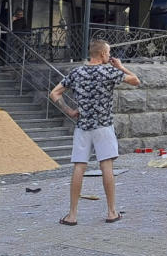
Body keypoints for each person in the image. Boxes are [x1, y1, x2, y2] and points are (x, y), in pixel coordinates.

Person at [49, 39, 140, 225]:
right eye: (108, 52)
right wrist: (121, 67)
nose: (110, 55)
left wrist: (70, 111)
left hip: (83, 126)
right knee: (106, 166)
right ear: (102, 54)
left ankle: (72, 215)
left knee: (79, 167)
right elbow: (136, 81)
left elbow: (54, 93)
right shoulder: (109, 71)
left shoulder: (77, 72)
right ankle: (111, 212)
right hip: (104, 126)